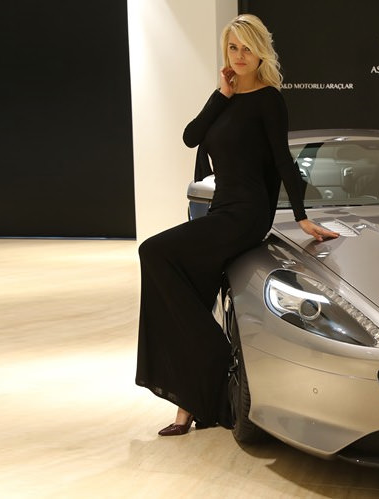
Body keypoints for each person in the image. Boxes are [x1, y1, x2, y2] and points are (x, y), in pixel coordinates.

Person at [135, 14, 339, 437]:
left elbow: (283, 162)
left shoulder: (269, 100)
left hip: (245, 214)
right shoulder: (225, 99)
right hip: (221, 210)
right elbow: (191, 136)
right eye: (233, 48)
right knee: (192, 292)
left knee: (152, 250)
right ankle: (192, 404)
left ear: (260, 52)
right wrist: (221, 93)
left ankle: (215, 355)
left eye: (247, 48)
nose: (240, 56)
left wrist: (301, 216)